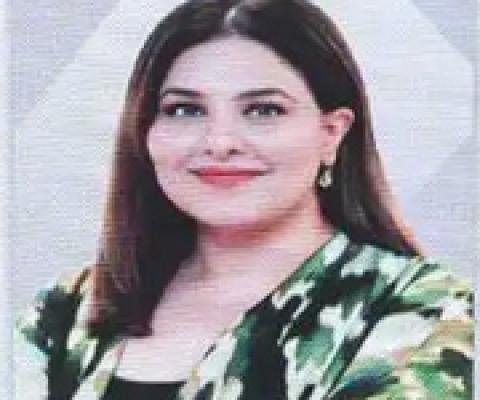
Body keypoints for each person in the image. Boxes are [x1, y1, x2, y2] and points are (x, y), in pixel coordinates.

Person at [14, 0, 473, 399]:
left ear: (332, 133)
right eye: (185, 110)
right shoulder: (65, 312)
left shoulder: (421, 310)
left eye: (263, 110)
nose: (220, 142)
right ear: (146, 132)